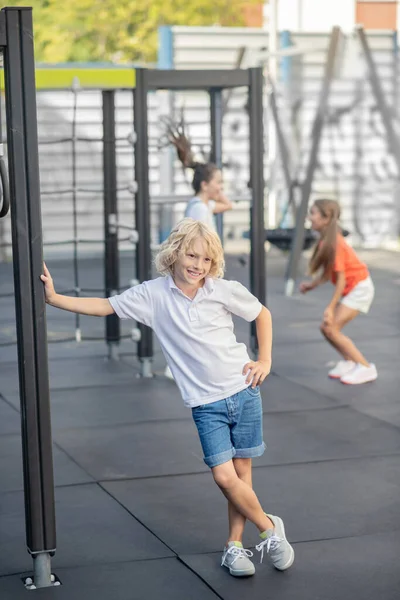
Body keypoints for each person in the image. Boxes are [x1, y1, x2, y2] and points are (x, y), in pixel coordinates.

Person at [41, 218, 294, 578]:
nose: (198, 265)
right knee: (224, 478)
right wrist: (54, 299)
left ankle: (234, 546)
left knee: (241, 476)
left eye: (206, 260)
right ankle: (269, 527)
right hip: (206, 404)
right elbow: (106, 306)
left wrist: (265, 359)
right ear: (174, 253)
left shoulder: (221, 289)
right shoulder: (153, 295)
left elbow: (262, 314)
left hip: (244, 389)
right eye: (191, 255)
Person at [299, 199, 377, 385]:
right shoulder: (326, 242)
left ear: (326, 219)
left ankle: (365, 367)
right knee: (327, 329)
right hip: (355, 288)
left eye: (313, 213)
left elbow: (341, 279)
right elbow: (329, 273)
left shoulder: (336, 243)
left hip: (360, 288)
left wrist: (331, 307)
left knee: (330, 328)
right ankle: (350, 362)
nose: (310, 217)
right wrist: (313, 285)